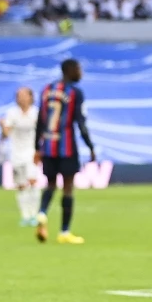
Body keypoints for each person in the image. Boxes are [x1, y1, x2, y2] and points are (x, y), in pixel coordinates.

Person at [34, 59, 95, 245]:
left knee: (50, 184)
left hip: (48, 146)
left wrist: (37, 147)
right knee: (68, 188)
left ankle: (42, 212)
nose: (81, 73)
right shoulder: (75, 93)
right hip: (66, 146)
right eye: (79, 69)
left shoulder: (46, 90)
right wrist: (90, 146)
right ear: (70, 71)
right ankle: (64, 232)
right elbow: (80, 122)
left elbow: (40, 120)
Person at [0, 87, 40, 227]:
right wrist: (2, 126)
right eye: (19, 95)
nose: (21, 98)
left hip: (32, 152)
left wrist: (40, 150)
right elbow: (6, 135)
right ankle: (25, 216)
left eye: (24, 95)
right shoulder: (12, 113)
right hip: (16, 153)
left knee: (33, 181)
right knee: (21, 185)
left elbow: (42, 132)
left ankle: (35, 215)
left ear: (30, 97)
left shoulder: (36, 113)